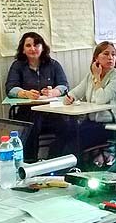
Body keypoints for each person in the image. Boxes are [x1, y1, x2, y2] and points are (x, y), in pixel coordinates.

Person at [50, 42, 116, 160]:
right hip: (91, 123)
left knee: (74, 143)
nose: (110, 57)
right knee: (60, 138)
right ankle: (50, 173)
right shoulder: (90, 75)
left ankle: (72, 173)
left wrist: (97, 78)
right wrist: (69, 97)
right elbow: (75, 92)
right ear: (96, 58)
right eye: (106, 54)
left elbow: (101, 99)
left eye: (113, 54)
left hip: (111, 126)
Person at [5, 32, 69, 162]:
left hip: (52, 111)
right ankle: (30, 163)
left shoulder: (53, 64)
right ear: (23, 49)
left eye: (36, 45)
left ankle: (54, 161)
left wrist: (54, 92)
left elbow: (64, 86)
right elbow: (10, 89)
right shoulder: (17, 66)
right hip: (28, 112)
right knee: (33, 124)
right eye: (28, 45)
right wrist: (25, 93)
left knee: (70, 127)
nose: (33, 49)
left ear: (43, 47)